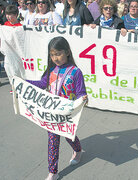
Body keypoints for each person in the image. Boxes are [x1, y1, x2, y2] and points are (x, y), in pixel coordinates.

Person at [27, 36, 88, 180]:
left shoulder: (75, 72)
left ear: (67, 52)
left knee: (69, 137)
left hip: (67, 114)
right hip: (52, 114)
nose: (55, 58)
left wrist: (83, 98)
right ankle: (53, 171)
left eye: (58, 53)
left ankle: (78, 150)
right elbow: (42, 84)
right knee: (53, 142)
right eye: (52, 54)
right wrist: (23, 82)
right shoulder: (51, 70)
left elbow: (81, 92)